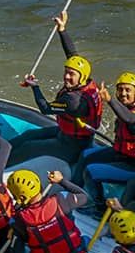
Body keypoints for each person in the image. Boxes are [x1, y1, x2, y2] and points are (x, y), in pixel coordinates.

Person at [14, 12, 104, 168]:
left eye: (71, 74)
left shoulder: (74, 102)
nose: (66, 77)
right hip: (66, 134)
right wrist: (62, 30)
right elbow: (72, 55)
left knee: (28, 147)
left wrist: (35, 86)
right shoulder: (86, 81)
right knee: (28, 135)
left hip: (72, 146)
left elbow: (45, 108)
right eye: (66, 72)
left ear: (80, 77)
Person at [78, 71, 135, 204]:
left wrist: (109, 100)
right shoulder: (127, 107)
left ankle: (98, 207)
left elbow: (131, 119)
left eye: (128, 90)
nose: (123, 93)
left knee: (90, 172)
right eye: (120, 90)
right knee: (86, 155)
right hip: (122, 154)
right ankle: (75, 190)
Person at [8, 169, 89, 253]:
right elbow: (84, 196)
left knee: (27, 251)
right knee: (85, 238)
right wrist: (61, 180)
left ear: (20, 198)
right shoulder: (60, 200)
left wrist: (15, 233)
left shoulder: (20, 220)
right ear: (40, 186)